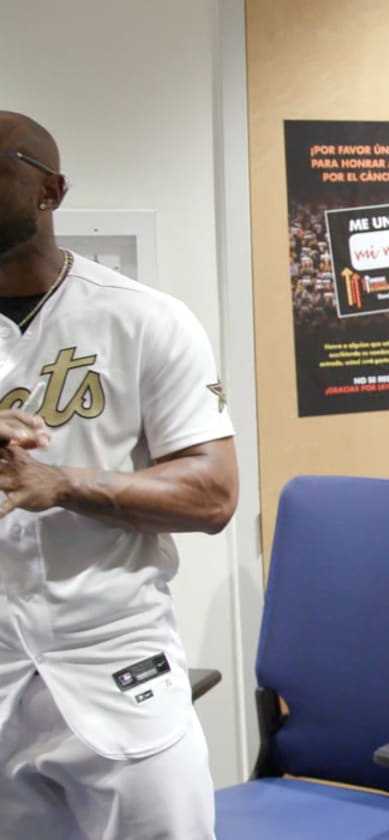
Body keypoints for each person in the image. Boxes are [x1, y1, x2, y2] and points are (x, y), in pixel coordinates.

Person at [0, 111, 238, 839]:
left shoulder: (144, 320)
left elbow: (213, 493)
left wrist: (61, 484)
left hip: (114, 658)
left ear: (52, 190)